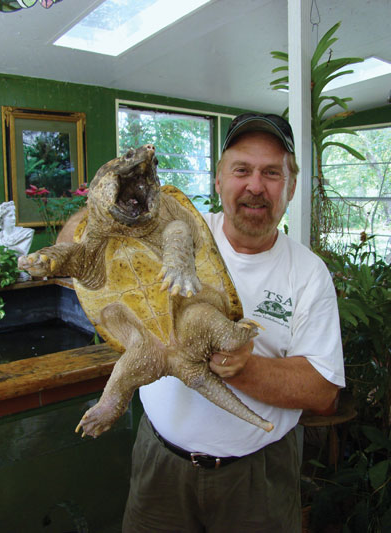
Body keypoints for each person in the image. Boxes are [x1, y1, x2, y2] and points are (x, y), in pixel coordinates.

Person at [122, 113, 345, 533]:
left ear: (291, 187)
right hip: (160, 468)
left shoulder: (309, 273)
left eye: (272, 173)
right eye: (241, 169)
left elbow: (323, 393)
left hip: (257, 481)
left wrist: (245, 367)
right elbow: (100, 237)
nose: (256, 186)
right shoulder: (179, 232)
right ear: (219, 180)